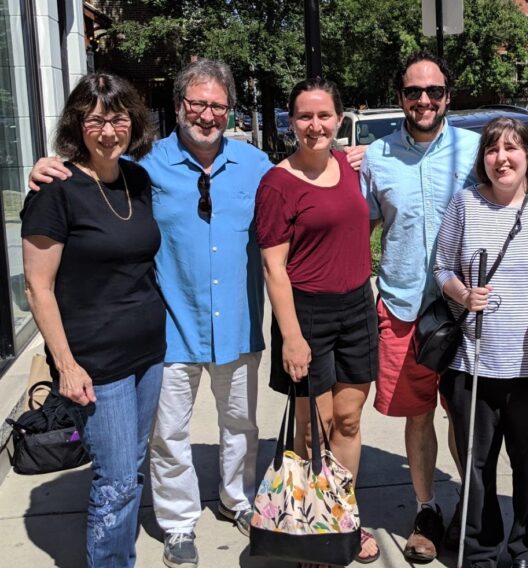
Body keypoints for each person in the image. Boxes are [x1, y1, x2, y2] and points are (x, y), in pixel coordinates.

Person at [28, 59, 368, 568]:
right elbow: (93, 172)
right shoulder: (144, 167)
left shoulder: (257, 166)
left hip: (236, 324)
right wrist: (44, 166)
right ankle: (179, 522)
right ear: (179, 106)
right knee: (169, 435)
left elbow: (309, 173)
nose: (207, 115)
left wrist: (348, 154)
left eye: (217, 105)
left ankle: (237, 498)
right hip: (171, 326)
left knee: (240, 426)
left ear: (229, 109)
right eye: (197, 104)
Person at [21, 73, 163, 567]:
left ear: (133, 123)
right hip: (96, 363)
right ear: (78, 125)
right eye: (96, 119)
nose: (108, 131)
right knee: (118, 479)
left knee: (130, 469)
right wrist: (67, 365)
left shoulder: (137, 179)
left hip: (148, 353)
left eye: (118, 118)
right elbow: (37, 288)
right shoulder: (54, 190)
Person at [359, 51, 480, 562]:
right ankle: (427, 508)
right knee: (417, 415)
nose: (424, 100)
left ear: (448, 96)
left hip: (466, 310)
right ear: (401, 98)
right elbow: (357, 226)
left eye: (433, 91)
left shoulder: (477, 151)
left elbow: (520, 198)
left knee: (467, 417)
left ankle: (473, 511)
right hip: (405, 306)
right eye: (414, 92)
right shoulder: (377, 156)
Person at [254, 77, 380, 564]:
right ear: (291, 122)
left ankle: (342, 519)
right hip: (305, 313)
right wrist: (291, 336)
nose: (315, 125)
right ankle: (309, 527)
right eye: (304, 116)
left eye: (324, 115)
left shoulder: (349, 167)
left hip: (356, 307)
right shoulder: (277, 184)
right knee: (315, 428)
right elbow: (273, 267)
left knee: (348, 420)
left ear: (339, 119)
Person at [433, 117, 528, 568]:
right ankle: (482, 550)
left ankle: (524, 548)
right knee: (477, 466)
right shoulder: (465, 204)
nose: (501, 158)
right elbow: (442, 267)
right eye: (492, 150)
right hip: (474, 362)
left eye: (511, 149)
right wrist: (463, 294)